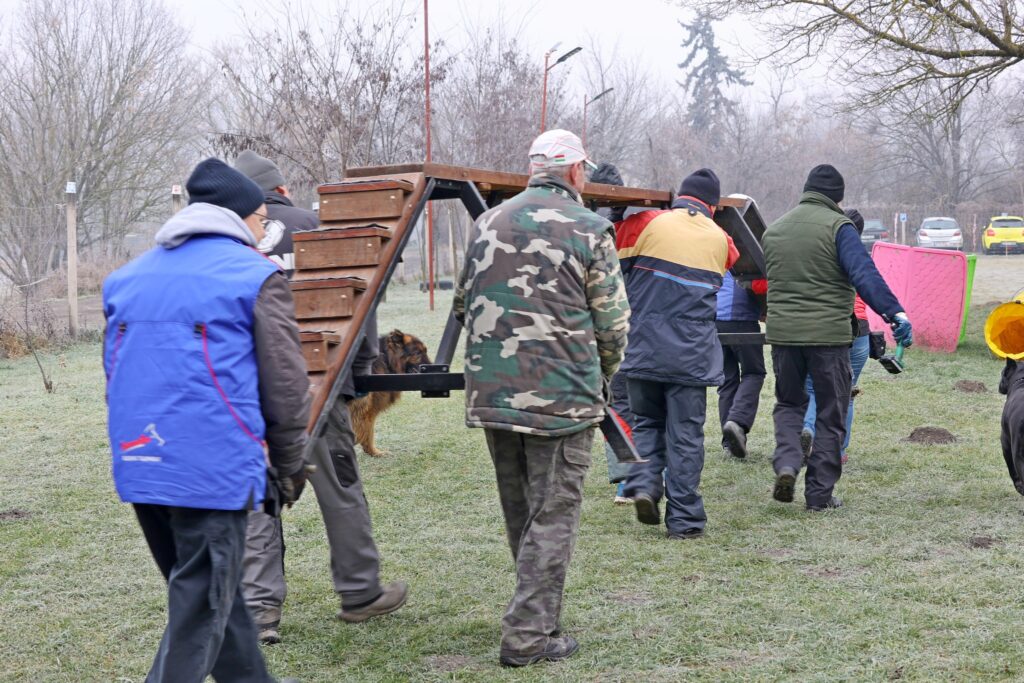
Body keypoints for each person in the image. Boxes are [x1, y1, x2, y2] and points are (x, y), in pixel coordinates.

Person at [103, 158, 308, 682]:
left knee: (213, 594)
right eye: (262, 219)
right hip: (212, 471)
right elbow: (285, 387)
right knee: (200, 610)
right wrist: (288, 466)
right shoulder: (256, 276)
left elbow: (115, 373)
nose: (266, 230)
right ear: (238, 218)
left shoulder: (125, 279)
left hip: (142, 463)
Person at [453, 129, 629, 667]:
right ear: (577, 172)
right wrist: (599, 377)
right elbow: (613, 326)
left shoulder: (487, 222)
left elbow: (463, 305)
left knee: (523, 513)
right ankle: (528, 636)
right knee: (552, 517)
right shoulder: (592, 229)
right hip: (562, 399)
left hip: (494, 394)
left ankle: (540, 617)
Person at [233, 150, 407, 645]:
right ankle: (360, 592)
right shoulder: (316, 226)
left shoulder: (231, 238)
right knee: (341, 488)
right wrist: (360, 368)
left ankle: (259, 611)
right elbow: (361, 296)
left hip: (251, 391)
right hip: (319, 385)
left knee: (257, 495)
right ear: (282, 190)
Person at [762, 165, 913, 511]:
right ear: (838, 198)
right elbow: (864, 274)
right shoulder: (839, 227)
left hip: (784, 336)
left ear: (806, 189)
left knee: (788, 404)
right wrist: (895, 313)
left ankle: (787, 463)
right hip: (828, 337)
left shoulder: (775, 230)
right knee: (832, 410)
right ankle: (819, 496)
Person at [617, 169, 738, 539]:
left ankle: (644, 485)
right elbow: (732, 260)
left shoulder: (644, 224)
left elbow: (618, 262)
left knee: (647, 422)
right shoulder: (722, 240)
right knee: (685, 436)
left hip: (644, 349)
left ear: (678, 197)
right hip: (692, 357)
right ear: (713, 207)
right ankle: (684, 522)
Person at [801, 208, 872, 465]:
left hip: (827, 327)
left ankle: (808, 428)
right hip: (860, 330)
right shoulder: (861, 256)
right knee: (846, 392)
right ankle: (838, 451)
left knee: (812, 386)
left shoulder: (821, 254)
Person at [715, 270, 767, 459]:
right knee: (754, 373)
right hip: (743, 320)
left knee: (727, 382)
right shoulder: (746, 255)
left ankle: (729, 444)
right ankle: (737, 422)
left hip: (716, 321)